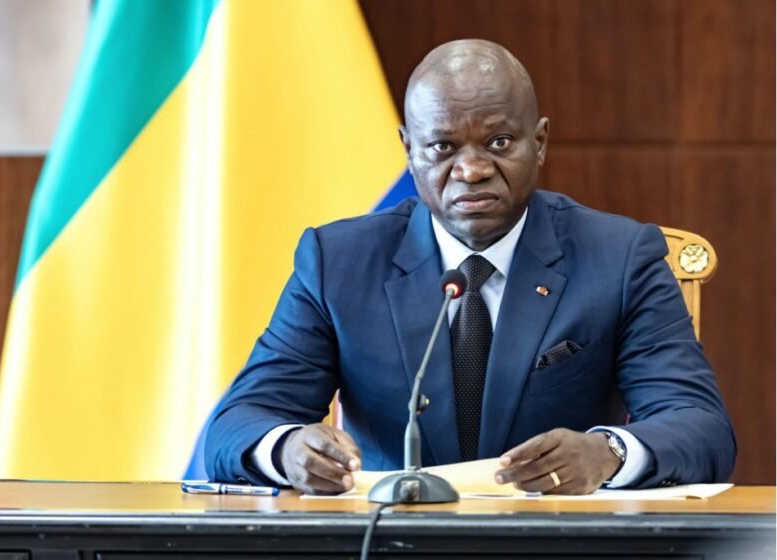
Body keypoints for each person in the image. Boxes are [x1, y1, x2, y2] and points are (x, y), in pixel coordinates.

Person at [204, 39, 735, 495]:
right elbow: (238, 424)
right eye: (443, 146)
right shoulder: (339, 262)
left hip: (559, 539)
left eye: (499, 143)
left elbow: (701, 427)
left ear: (539, 143)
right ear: (409, 150)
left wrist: (608, 453)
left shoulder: (618, 257)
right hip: (387, 540)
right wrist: (288, 449)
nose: (473, 169)